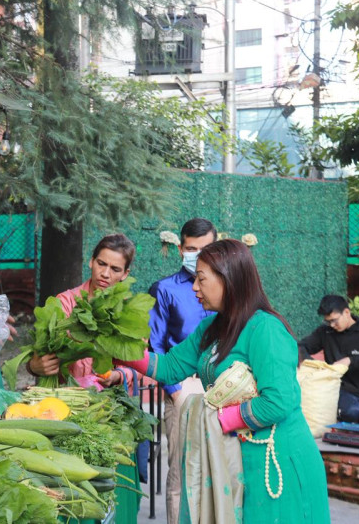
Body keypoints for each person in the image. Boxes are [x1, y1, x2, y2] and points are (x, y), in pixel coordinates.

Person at [122, 239, 330, 523]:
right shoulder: (212, 327)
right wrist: (118, 350)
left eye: (201, 279)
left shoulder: (266, 329)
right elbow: (170, 367)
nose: (194, 287)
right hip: (233, 459)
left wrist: (216, 420)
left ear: (228, 279)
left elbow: (279, 401)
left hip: (276, 462)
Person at [148, 218, 216, 524]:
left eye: (206, 249)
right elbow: (156, 346)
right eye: (192, 248)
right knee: (180, 473)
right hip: (181, 389)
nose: (198, 255)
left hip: (224, 388)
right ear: (180, 248)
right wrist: (175, 392)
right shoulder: (164, 289)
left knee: (222, 469)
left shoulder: (229, 289)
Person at [27, 234, 138, 389]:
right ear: (91, 261)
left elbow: (139, 362)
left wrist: (117, 375)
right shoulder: (64, 303)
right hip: (63, 396)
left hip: (108, 401)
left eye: (115, 269)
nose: (105, 274)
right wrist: (34, 366)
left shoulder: (128, 313)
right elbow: (41, 354)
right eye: (101, 263)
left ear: (125, 274)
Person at [299, 294, 359, 435]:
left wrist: (351, 361)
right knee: (352, 412)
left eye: (334, 320)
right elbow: (300, 347)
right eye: (328, 322)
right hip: (340, 389)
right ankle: (356, 427)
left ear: (346, 312)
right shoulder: (325, 332)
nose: (332, 325)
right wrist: (316, 365)